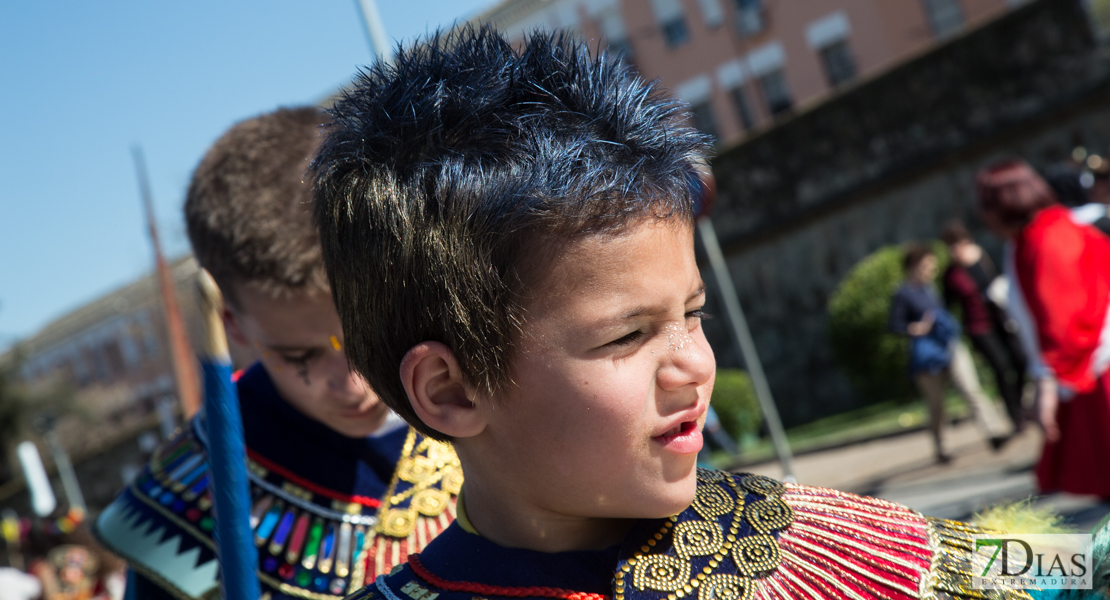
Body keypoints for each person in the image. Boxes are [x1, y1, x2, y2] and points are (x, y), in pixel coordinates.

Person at [311, 27, 1046, 600]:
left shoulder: (828, 543)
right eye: (629, 334)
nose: (694, 363)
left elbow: (1072, 569)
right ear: (451, 389)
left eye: (691, 314)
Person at [93, 108, 460, 600]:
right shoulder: (194, 501)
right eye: (300, 356)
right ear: (229, 320)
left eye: (368, 331)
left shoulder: (501, 384)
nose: (352, 382)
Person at [977, 158, 1110, 498]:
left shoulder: (1048, 238)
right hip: (1085, 368)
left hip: (1093, 366)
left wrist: (1047, 384)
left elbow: (1064, 317)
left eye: (987, 204)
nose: (982, 214)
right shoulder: (1034, 236)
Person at [889, 243, 1011, 463]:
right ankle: (942, 447)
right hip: (927, 354)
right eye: (927, 267)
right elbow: (895, 324)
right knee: (937, 405)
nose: (931, 271)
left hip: (949, 345)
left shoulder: (931, 288)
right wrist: (915, 328)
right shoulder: (903, 293)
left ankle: (993, 432)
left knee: (970, 389)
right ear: (914, 266)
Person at [940, 220, 1028, 431]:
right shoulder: (951, 274)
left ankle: (1018, 402)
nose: (956, 249)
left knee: (1020, 359)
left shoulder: (983, 257)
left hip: (1000, 318)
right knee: (1001, 366)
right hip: (978, 326)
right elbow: (946, 304)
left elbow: (1001, 279)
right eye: (951, 245)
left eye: (958, 243)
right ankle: (1015, 415)